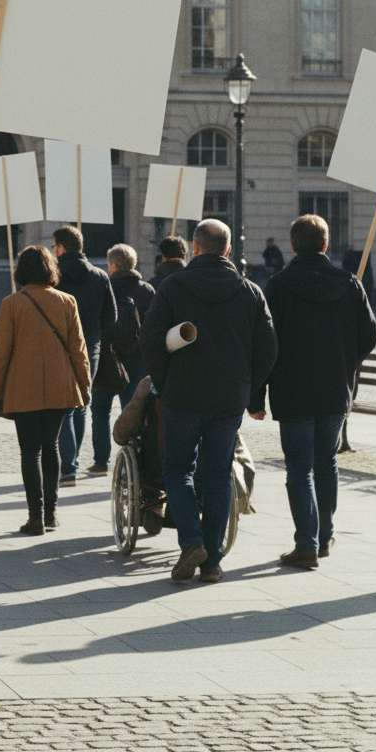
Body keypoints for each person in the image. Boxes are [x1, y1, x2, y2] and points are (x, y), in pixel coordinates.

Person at [141, 219, 277, 585]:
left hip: (182, 394)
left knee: (177, 470)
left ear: (195, 247)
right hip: (228, 397)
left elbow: (151, 340)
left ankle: (192, 540)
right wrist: (253, 392)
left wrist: (164, 381)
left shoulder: (172, 286)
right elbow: (268, 348)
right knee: (217, 474)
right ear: (228, 250)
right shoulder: (250, 291)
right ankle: (212, 561)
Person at [252, 215, 376, 569]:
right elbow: (369, 336)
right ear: (326, 243)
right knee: (327, 463)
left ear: (293, 245)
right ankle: (324, 536)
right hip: (334, 389)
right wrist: (345, 359)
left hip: (292, 390)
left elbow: (264, 344)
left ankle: (306, 541)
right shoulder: (349, 284)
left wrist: (256, 394)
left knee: (299, 468)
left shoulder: (276, 286)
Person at [0, 245, 91, 536]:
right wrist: (84, 385)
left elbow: (2, 353)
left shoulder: (12, 304)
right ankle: (51, 513)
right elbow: (78, 350)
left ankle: (35, 515)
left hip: (23, 387)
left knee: (29, 451)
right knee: (52, 446)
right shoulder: (66, 301)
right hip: (60, 385)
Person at [51, 226, 116, 486]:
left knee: (64, 408)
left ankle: (68, 466)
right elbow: (111, 318)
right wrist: (98, 338)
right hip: (91, 347)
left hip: (60, 346)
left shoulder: (54, 276)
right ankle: (72, 459)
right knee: (80, 406)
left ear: (62, 247)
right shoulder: (100, 276)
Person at [87, 244, 155, 474]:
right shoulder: (147, 291)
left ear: (113, 265)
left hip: (108, 359)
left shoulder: (102, 288)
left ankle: (100, 460)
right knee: (134, 410)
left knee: (100, 411)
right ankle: (134, 458)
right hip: (137, 362)